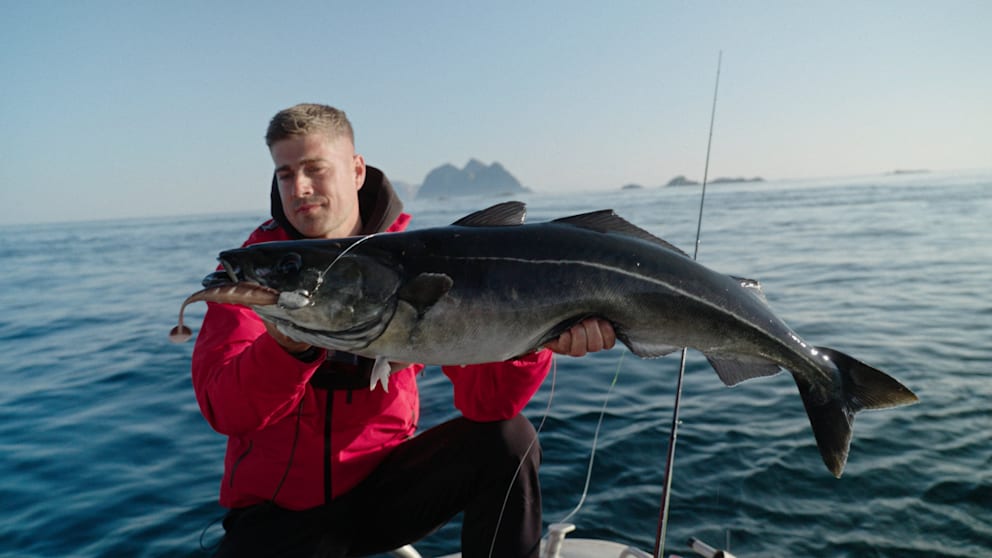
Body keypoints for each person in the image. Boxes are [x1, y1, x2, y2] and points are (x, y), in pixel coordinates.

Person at [191, 103, 616, 558]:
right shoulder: (256, 274)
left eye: (315, 169)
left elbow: (489, 403)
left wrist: (532, 341)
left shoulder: (430, 260)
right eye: (285, 174)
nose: (300, 189)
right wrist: (285, 348)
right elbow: (226, 411)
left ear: (357, 171)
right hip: (278, 517)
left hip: (385, 493)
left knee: (508, 441)